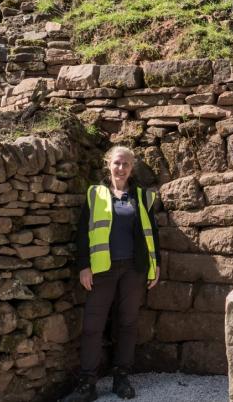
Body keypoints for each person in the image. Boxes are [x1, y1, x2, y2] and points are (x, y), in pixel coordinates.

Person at [63, 146, 161, 402]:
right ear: (108, 164)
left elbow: (153, 234)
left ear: (132, 168)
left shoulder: (141, 196)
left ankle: (121, 377)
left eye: (126, 164)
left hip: (134, 269)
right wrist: (84, 266)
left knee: (127, 324)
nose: (121, 168)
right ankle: (87, 383)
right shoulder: (95, 194)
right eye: (117, 163)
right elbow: (83, 232)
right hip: (101, 269)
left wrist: (156, 265)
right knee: (93, 326)